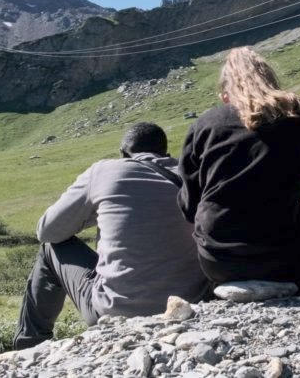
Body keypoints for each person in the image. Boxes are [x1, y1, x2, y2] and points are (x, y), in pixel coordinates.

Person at [178, 46, 300, 299]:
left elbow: (189, 206)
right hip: (286, 257)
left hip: (218, 262)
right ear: (270, 81)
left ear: (226, 94)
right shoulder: (295, 111)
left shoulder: (204, 124)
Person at [14, 123, 207, 350]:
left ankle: (29, 346)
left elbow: (47, 231)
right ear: (166, 153)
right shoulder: (194, 177)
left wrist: (95, 212)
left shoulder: (104, 171)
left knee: (50, 248)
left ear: (123, 154)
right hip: (189, 304)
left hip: (114, 310)